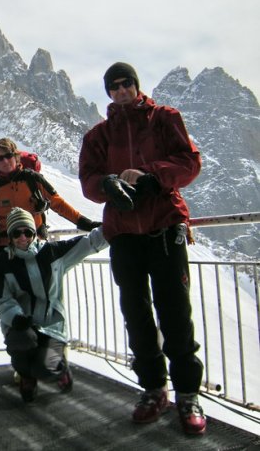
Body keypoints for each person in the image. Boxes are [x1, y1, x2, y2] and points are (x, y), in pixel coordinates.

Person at [78, 62, 206, 435]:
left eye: (125, 84)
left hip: (164, 229)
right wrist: (108, 185)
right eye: (113, 87)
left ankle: (187, 394)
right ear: (108, 92)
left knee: (175, 314)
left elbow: (189, 162)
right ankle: (153, 389)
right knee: (136, 315)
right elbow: (88, 179)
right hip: (124, 235)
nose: (120, 91)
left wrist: (153, 177)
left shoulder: (164, 119)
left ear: (136, 85)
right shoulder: (98, 135)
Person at [0, 207, 108, 402]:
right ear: (10, 236)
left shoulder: (51, 253)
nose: (22, 237)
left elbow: (88, 243)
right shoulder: (2, 262)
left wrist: (115, 226)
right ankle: (26, 377)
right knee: (21, 342)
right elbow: (1, 299)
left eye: (27, 232)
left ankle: (60, 370)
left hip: (52, 327)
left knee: (46, 368)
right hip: (22, 326)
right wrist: (16, 317)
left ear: (34, 233)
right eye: (16, 233)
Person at [0, 138, 100, 273]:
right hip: (7, 250)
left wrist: (82, 221)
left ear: (16, 156)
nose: (5, 161)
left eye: (8, 155)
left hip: (36, 246)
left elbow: (57, 203)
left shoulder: (33, 179)